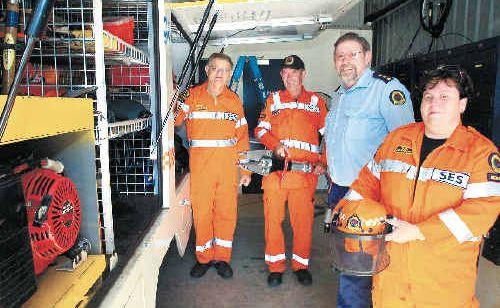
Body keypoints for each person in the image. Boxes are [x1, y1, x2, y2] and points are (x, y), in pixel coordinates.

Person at [335, 65, 500, 307]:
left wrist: (419, 231)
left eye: (445, 97)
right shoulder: (397, 139)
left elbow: (482, 211)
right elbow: (365, 184)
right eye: (429, 96)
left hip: (442, 285)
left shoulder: (480, 153)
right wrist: (346, 213)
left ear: (462, 104)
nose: (434, 103)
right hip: (389, 277)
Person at [324, 32, 415, 307]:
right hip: (340, 191)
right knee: (349, 265)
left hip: (370, 198)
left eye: (353, 54)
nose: (346, 61)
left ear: (367, 56)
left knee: (360, 270)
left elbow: (407, 148)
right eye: (340, 56)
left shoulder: (386, 91)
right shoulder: (340, 96)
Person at [175, 53, 251, 279]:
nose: (220, 73)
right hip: (201, 168)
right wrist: (173, 96)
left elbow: (242, 137)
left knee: (227, 213)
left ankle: (222, 258)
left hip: (227, 167)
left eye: (225, 70)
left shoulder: (234, 100)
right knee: (202, 213)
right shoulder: (192, 96)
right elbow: (175, 120)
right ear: (207, 70)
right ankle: (204, 258)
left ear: (229, 75)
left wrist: (245, 169)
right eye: (216, 68)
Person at [255, 55, 327, 287]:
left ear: (303, 74)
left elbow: (330, 136)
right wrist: (275, 145)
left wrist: (323, 162)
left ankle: (300, 265)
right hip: (277, 173)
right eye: (285, 73)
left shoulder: (316, 102)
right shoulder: (273, 99)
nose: (289, 77)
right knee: (273, 221)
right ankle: (275, 267)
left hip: (305, 175)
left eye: (293, 72)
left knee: (302, 222)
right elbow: (260, 130)